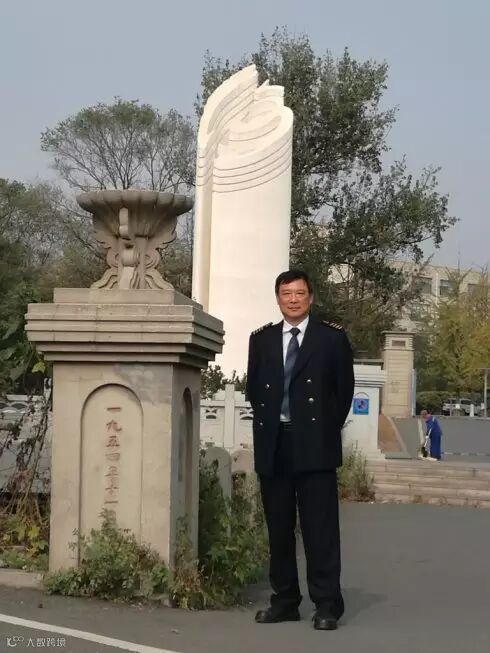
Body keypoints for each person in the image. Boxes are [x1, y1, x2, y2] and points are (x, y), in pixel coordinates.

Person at [246, 269, 354, 631]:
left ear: (311, 297)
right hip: (274, 444)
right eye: (286, 293)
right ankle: (285, 601)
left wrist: (322, 429)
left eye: (299, 293)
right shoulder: (261, 339)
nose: (293, 299)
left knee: (319, 530)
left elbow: (343, 392)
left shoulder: (331, 338)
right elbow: (255, 391)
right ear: (278, 298)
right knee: (279, 529)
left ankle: (327, 605)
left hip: (315, 446)